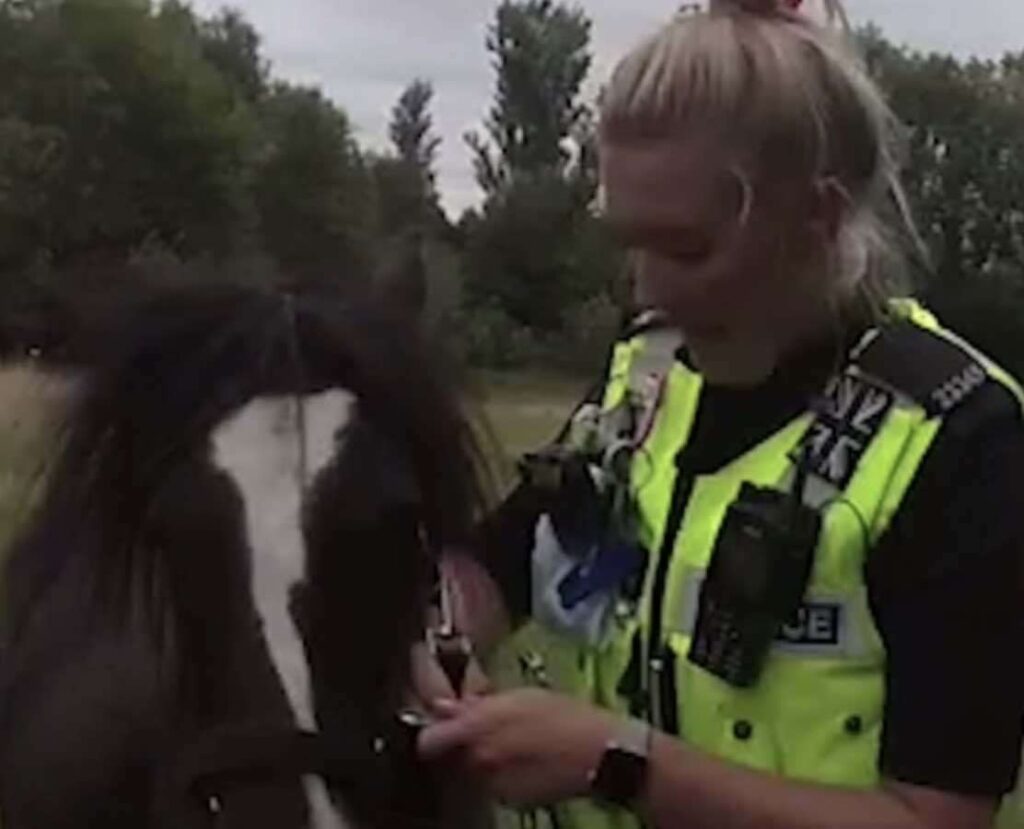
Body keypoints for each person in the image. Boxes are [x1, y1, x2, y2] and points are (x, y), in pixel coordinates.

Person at [413, 1, 1024, 827]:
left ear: (820, 215)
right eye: (628, 240)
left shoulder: (963, 440)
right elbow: (500, 560)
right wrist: (438, 634)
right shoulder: (645, 377)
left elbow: (936, 817)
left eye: (687, 248)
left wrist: (618, 761)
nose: (646, 287)